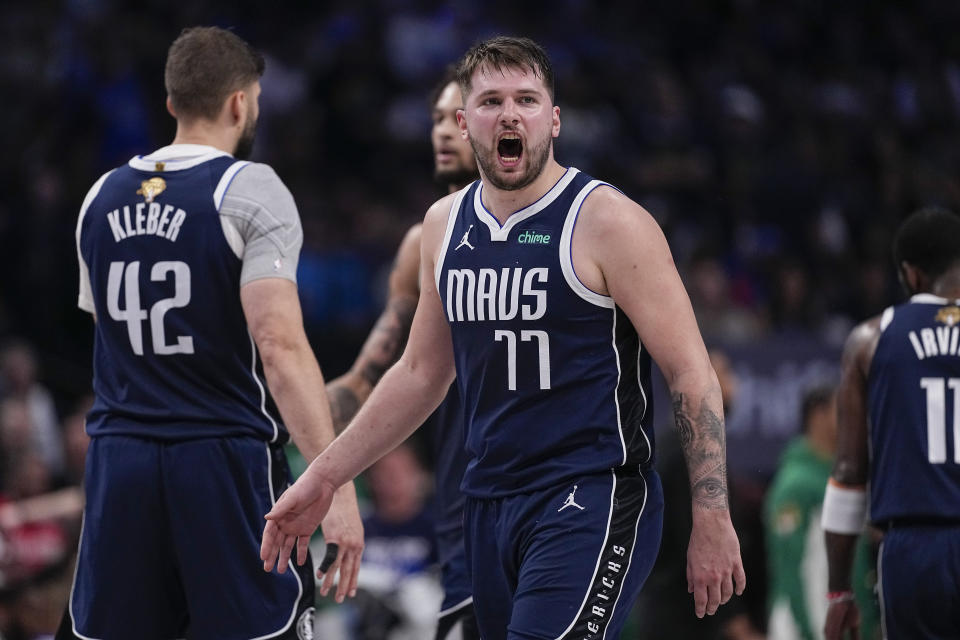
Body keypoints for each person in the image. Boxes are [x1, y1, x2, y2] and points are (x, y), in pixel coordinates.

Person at [262, 36, 744, 640]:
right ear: (465, 123)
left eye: (527, 99)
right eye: (491, 101)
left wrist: (713, 513)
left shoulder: (610, 222)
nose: (510, 114)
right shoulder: (444, 225)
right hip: (487, 503)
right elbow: (419, 374)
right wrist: (323, 477)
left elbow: (691, 371)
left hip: (591, 493)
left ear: (554, 118)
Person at [63, 26, 363, 640]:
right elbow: (279, 347)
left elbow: (109, 336)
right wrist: (333, 484)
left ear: (172, 103)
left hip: (120, 465)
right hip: (222, 461)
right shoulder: (250, 188)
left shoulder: (99, 198)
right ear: (241, 103)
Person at [323, 67, 480, 639]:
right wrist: (296, 430)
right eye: (437, 118)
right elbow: (366, 378)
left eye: (457, 119)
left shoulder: (554, 233)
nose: (443, 131)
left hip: (550, 490)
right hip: (463, 502)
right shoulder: (423, 244)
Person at [823, 207, 960, 640]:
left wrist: (839, 591)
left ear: (911, 275)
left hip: (913, 549)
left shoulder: (870, 339)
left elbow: (848, 473)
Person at [766, 385, 878, 640]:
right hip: (807, 630)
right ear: (818, 416)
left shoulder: (845, 478)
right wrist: (808, 629)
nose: (854, 419)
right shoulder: (795, 484)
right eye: (843, 410)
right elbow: (790, 568)